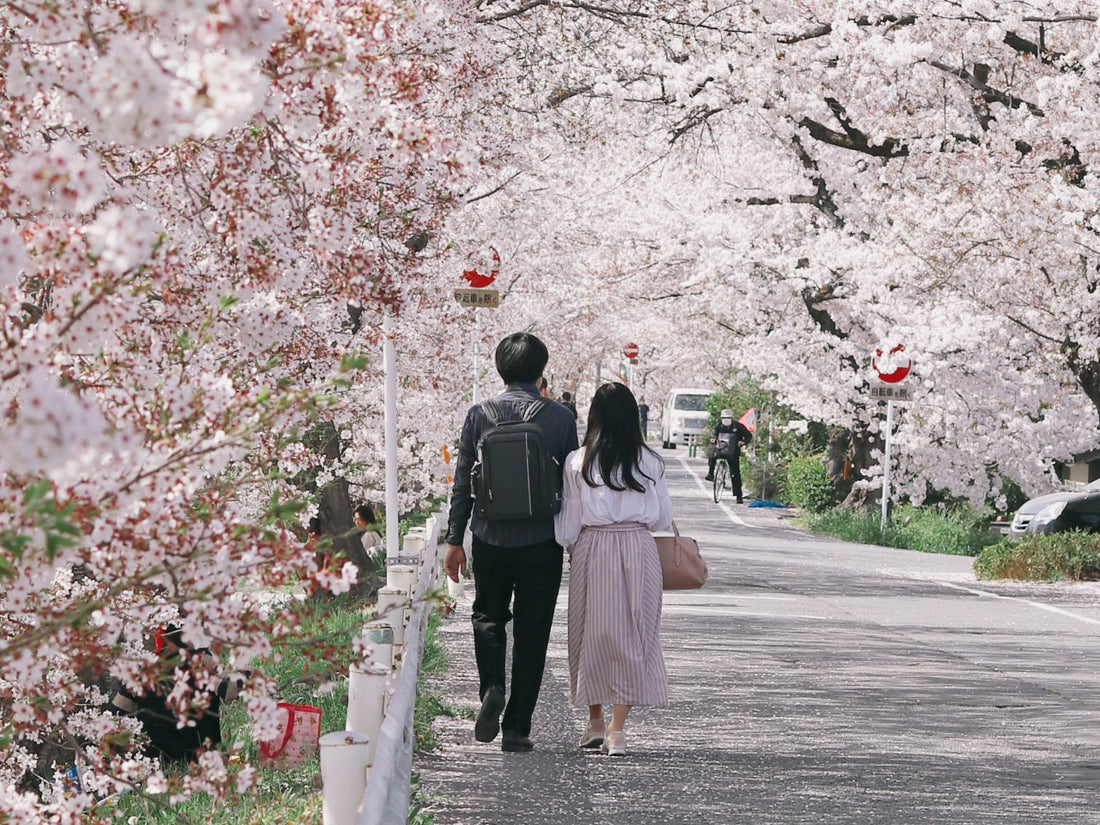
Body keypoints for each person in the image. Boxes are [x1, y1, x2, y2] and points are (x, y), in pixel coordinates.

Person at [443, 332, 579, 753]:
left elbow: (463, 481)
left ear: (500, 368)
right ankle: (517, 727)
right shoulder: (559, 418)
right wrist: (575, 541)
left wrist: (454, 540)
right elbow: (571, 484)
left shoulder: (479, 414)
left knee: (487, 616)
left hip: (490, 536)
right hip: (542, 540)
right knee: (533, 630)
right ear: (542, 370)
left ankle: (491, 688)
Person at [555, 382, 673, 757]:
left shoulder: (578, 461)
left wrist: (575, 546)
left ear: (595, 417)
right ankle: (616, 730)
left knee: (589, 633)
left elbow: (569, 523)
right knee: (637, 634)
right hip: (638, 546)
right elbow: (661, 519)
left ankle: (593, 721)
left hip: (593, 546)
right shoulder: (650, 461)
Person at [107, 625, 251, 764]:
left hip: (156, 761)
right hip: (199, 759)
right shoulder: (200, 660)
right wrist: (249, 673)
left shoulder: (143, 668)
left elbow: (116, 715)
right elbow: (229, 691)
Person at [705, 408, 753, 503]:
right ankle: (710, 474)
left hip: (733, 452)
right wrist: (713, 438)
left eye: (728, 417)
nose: (726, 419)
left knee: (735, 473)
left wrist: (742, 442)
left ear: (732, 418)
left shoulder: (738, 426)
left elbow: (748, 435)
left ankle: (738, 495)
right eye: (724, 418)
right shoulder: (719, 425)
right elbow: (714, 434)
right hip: (721, 449)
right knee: (712, 455)